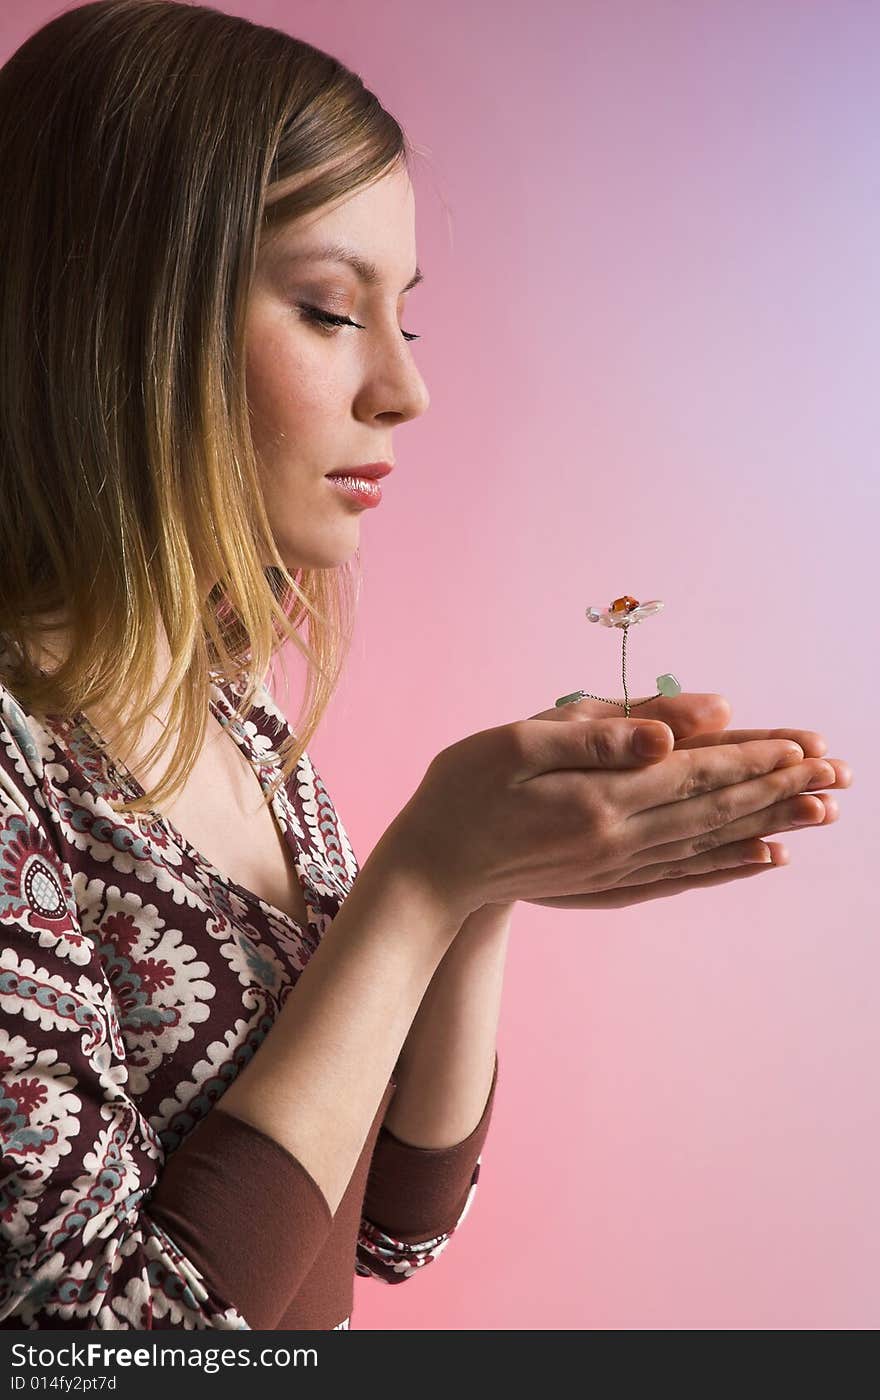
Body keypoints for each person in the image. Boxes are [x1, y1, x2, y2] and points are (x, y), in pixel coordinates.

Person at [0, 0, 851, 1331]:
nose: (406, 388)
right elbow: (104, 1349)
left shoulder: (237, 717)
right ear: (119, 315)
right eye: (332, 310)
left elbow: (393, 1224)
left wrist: (485, 880)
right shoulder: (16, 768)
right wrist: (418, 882)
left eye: (408, 319)